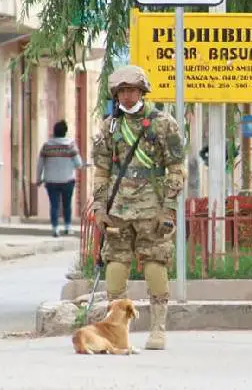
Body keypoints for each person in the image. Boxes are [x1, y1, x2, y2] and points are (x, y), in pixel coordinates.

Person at [90, 65, 186, 350]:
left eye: (132, 90)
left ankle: (158, 328)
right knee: (116, 264)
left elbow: (176, 169)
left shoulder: (164, 124)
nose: (127, 96)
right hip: (118, 209)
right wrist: (99, 207)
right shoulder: (109, 127)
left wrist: (169, 209)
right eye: (122, 91)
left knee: (156, 263)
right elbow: (101, 171)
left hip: (152, 208)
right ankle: (114, 329)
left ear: (142, 91)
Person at [36, 119, 83, 237]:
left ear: (54, 132)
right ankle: (67, 227)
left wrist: (38, 178)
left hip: (51, 181)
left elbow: (40, 164)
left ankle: (55, 229)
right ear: (65, 132)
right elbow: (78, 164)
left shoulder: (46, 146)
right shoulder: (71, 145)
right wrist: (70, 164)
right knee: (67, 205)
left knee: (54, 205)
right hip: (67, 180)